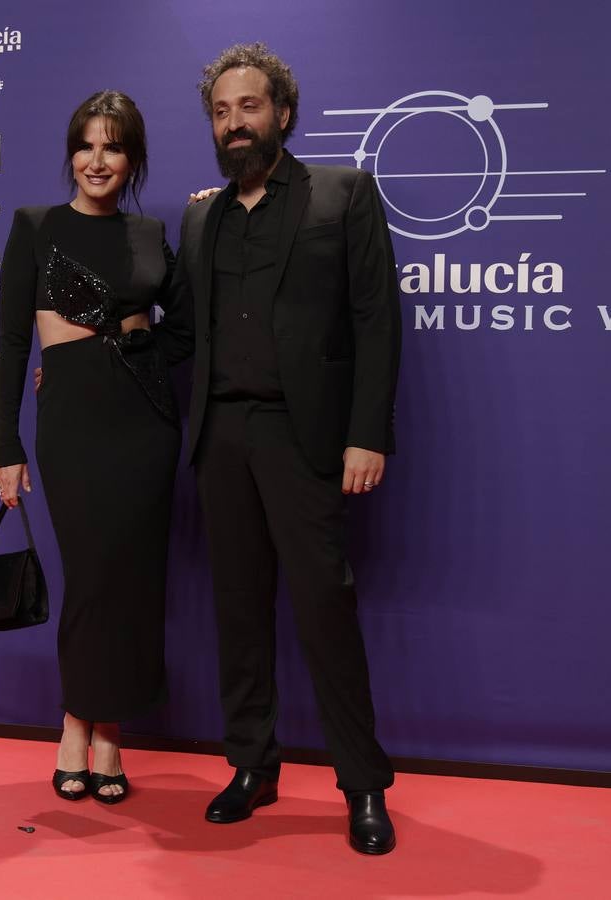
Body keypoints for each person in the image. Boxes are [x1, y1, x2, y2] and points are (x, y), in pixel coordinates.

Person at [166, 43, 402, 854]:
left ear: (283, 114)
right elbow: (177, 332)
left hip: (304, 439)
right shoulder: (202, 216)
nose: (235, 123)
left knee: (324, 611)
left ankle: (363, 784)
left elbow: (376, 321)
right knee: (237, 611)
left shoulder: (342, 194)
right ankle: (251, 766)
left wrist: (366, 432)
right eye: (222, 112)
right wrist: (83, 359)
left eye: (249, 107)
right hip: (219, 438)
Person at [0, 90, 191, 804]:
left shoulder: (147, 234)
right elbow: (14, 342)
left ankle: (107, 734)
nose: (96, 160)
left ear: (131, 159)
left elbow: (189, 324)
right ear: (70, 152)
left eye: (112, 147)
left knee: (132, 580)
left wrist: (134, 346)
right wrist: (5, 444)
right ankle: (76, 718)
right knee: (91, 575)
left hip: (144, 420)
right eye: (86, 144)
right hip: (71, 419)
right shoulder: (35, 226)